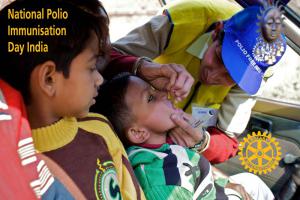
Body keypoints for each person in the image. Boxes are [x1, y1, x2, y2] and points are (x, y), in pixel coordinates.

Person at [0, 0, 145, 199]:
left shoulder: (100, 129)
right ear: (49, 79)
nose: (99, 79)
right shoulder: (17, 162)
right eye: (91, 68)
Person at [112, 0, 287, 151]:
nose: (213, 77)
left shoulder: (257, 70)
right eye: (219, 59)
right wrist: (142, 68)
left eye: (231, 76)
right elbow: (103, 58)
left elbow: (227, 138)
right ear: (217, 32)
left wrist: (203, 142)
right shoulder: (182, 21)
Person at [92, 72, 275, 200]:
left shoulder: (165, 147)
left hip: (213, 189)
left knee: (253, 182)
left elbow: (193, 164)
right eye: (150, 98)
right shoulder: (160, 179)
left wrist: (225, 182)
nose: (164, 94)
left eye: (155, 90)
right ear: (139, 132)